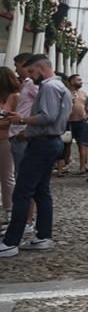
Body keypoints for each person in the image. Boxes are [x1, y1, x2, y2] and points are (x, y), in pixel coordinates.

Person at [0, 54, 72, 257]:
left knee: (23, 191)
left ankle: (11, 241)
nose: (30, 76)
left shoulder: (49, 87)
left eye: (31, 71)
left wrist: (21, 119)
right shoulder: (60, 86)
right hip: (51, 142)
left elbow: (46, 116)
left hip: (42, 142)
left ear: (41, 68)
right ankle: (42, 236)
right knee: (41, 191)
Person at [0, 67, 21, 220]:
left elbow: (14, 120)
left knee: (7, 176)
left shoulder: (14, 97)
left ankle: (10, 211)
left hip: (5, 139)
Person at [59, 75, 87, 177]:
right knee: (65, 145)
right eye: (78, 80)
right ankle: (64, 165)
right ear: (71, 81)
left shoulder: (83, 94)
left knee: (82, 144)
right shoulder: (65, 93)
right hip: (68, 122)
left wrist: (86, 115)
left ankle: (82, 167)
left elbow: (87, 106)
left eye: (81, 80)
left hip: (81, 122)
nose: (81, 82)